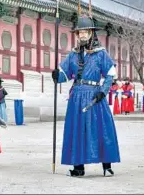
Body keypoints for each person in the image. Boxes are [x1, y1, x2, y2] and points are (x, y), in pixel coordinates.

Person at [52, 14, 120, 177]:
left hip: (94, 96)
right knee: (77, 130)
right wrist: (56, 75)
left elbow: (110, 74)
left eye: (85, 31)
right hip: (76, 96)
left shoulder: (101, 54)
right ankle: (78, 167)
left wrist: (103, 92)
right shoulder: (73, 55)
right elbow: (65, 75)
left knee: (101, 129)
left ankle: (107, 165)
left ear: (91, 33)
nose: (82, 35)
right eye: (79, 32)